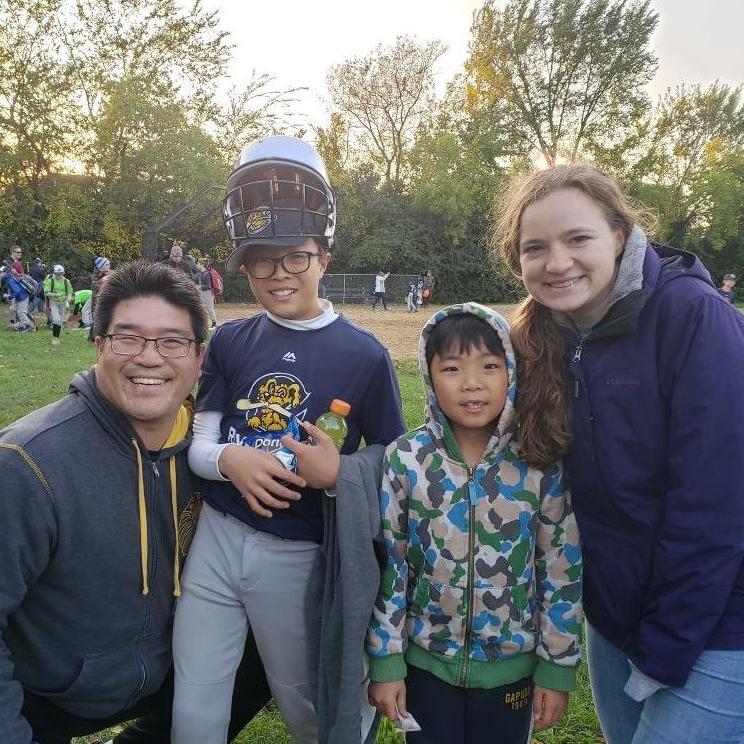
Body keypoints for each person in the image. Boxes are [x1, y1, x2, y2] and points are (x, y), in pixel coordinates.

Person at [496, 163, 744, 744]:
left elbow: (716, 507)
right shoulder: (543, 340)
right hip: (615, 615)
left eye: (578, 239)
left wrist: (664, 646)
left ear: (621, 235)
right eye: (536, 248)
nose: (558, 263)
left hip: (717, 617)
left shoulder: (691, 316)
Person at [171, 135, 405, 744]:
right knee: (195, 700)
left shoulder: (366, 355)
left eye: (295, 257)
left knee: (311, 706)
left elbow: (397, 463)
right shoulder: (230, 339)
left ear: (324, 258)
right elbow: (201, 443)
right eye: (261, 261)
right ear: (242, 265)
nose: (279, 275)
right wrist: (230, 459)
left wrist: (340, 475)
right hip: (217, 544)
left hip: (298, 553)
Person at [0, 261, 270, 744]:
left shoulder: (219, 453)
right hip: (50, 693)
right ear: (99, 344)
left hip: (176, 669)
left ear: (199, 356)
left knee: (273, 646)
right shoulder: (26, 464)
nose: (150, 358)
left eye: (172, 342)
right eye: (127, 338)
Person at [366, 303, 582, 744]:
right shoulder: (405, 459)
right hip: (426, 664)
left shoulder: (538, 462)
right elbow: (392, 566)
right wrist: (386, 661)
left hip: (512, 672)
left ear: (512, 372)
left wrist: (557, 666)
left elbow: (561, 569)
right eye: (451, 368)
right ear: (429, 377)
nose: (472, 383)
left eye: (489, 365)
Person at [44, 264, 73, 347]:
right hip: (54, 303)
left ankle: (57, 337)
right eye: (57, 274)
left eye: (61, 274)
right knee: (56, 320)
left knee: (60, 322)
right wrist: (54, 294)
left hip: (63, 303)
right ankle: (55, 338)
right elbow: (47, 292)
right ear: (54, 273)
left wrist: (69, 298)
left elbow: (69, 291)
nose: (59, 275)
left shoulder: (66, 281)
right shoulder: (51, 281)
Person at [1, 265, 35, 331]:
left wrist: (10, 296)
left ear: (4, 273)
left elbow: (17, 291)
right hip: (19, 297)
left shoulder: (9, 280)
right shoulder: (9, 277)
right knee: (13, 309)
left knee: (21, 312)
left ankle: (28, 325)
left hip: (23, 297)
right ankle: (21, 325)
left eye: (1, 273)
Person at [195, 257, 218, 329]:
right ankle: (204, 325)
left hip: (207, 293)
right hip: (202, 293)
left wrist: (199, 287)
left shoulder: (206, 274)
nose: (197, 265)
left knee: (209, 308)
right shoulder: (201, 274)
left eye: (198, 263)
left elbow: (208, 286)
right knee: (202, 308)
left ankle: (214, 323)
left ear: (202, 265)